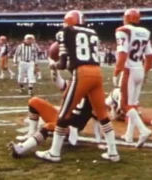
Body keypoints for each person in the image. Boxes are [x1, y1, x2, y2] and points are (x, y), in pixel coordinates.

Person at [35, 10, 120, 162]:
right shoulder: (92, 32)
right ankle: (113, 152)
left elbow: (62, 63)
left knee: (63, 115)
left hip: (82, 73)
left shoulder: (66, 31)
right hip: (97, 73)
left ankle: (54, 153)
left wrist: (53, 65)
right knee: (102, 115)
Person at [8, 65, 103, 158]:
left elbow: (97, 119)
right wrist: (55, 71)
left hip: (70, 128)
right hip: (60, 118)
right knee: (34, 101)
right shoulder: (75, 85)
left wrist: (99, 141)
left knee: (49, 126)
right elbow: (60, 83)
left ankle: (22, 148)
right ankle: (31, 133)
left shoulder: (94, 96)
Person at [112, 8, 152, 147]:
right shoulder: (146, 32)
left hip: (129, 69)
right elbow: (150, 57)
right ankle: (129, 136)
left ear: (126, 18)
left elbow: (122, 55)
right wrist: (145, 72)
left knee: (124, 106)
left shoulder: (123, 30)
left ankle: (143, 130)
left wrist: (116, 72)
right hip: (139, 69)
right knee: (133, 104)